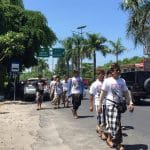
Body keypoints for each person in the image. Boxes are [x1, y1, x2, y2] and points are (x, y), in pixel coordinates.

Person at [98, 63, 134, 150]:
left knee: (115, 124)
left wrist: (130, 103)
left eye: (119, 70)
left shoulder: (122, 81)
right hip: (110, 105)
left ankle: (111, 139)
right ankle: (118, 143)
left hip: (119, 105)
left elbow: (126, 92)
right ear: (112, 71)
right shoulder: (107, 81)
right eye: (116, 70)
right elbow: (103, 94)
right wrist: (99, 105)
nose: (118, 71)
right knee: (115, 124)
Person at [89, 69, 107, 140]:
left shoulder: (106, 82)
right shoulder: (94, 84)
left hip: (107, 103)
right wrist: (91, 105)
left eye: (103, 74)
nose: (102, 75)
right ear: (97, 75)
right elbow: (91, 95)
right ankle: (102, 133)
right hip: (98, 104)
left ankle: (99, 128)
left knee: (105, 119)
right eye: (100, 74)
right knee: (101, 118)